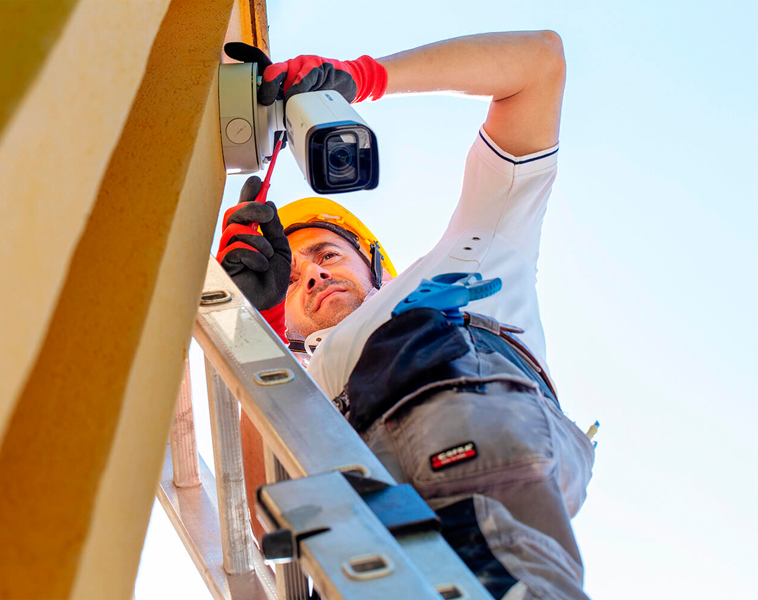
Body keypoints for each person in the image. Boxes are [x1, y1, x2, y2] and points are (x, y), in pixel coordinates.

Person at [218, 31, 594, 600]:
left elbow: (539, 67)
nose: (313, 275)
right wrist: (257, 326)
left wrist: (361, 77)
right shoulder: (297, 386)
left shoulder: (470, 256)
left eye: (326, 255)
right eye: (291, 280)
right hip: (357, 543)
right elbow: (268, 516)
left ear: (379, 270)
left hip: (470, 454)